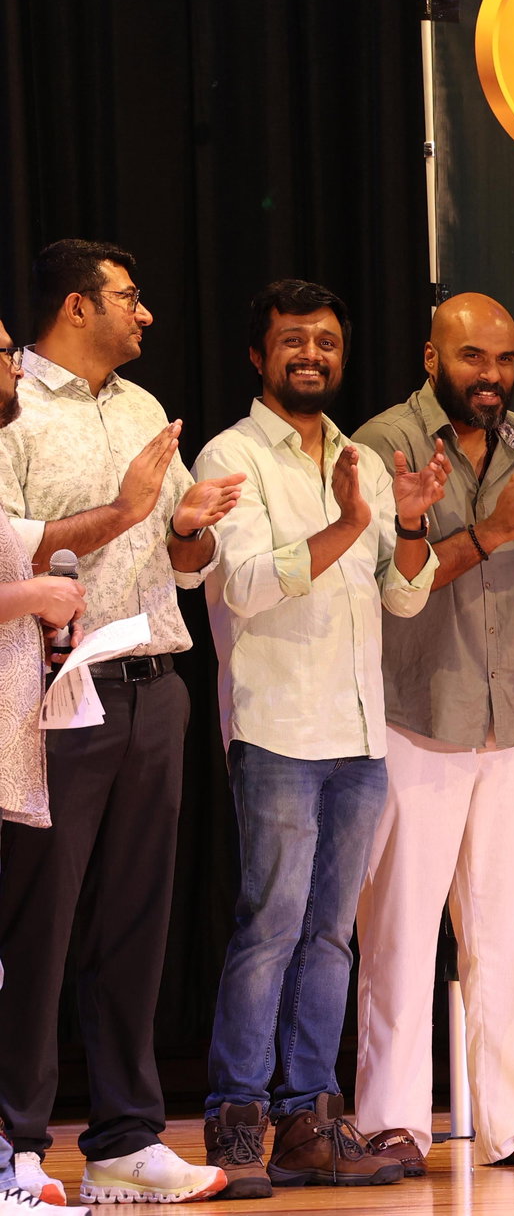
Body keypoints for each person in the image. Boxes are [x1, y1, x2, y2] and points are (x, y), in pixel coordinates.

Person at [345, 294, 514, 1176]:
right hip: (411, 713)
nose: (492, 375)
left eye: (502, 358)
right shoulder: (383, 444)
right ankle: (393, 1124)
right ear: (432, 357)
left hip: (510, 719)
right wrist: (491, 532)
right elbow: (396, 585)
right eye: (472, 357)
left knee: (510, 931)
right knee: (399, 931)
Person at [0, 241, 242, 1205]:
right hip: (55, 689)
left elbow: (180, 560)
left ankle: (125, 1141)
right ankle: (16, 1144)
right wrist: (126, 508)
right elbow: (11, 551)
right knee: (38, 921)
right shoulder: (14, 406)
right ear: (76, 306)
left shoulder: (143, 408)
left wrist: (187, 525)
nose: (145, 314)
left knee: (137, 921)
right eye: (127, 298)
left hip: (154, 682)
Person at [194, 280, 449, 1190]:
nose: (313, 354)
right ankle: (237, 1124)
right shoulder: (230, 456)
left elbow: (404, 595)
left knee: (331, 938)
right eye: (293, 339)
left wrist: (406, 523)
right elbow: (246, 585)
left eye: (328, 341)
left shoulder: (363, 460)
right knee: (269, 928)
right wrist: (349, 523)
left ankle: (310, 1121)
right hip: (276, 726)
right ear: (258, 356)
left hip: (359, 732)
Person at [0, 321, 91, 1216]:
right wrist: (31, 595)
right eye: (3, 355)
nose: (17, 368)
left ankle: (13, 1151)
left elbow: (47, 542)